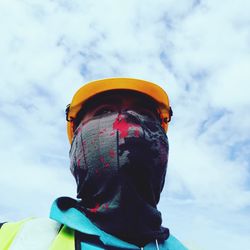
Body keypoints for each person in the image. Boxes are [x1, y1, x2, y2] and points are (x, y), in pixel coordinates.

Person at [0, 78, 187, 250]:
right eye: (105, 111)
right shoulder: (12, 238)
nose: (125, 124)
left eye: (143, 114)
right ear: (76, 143)